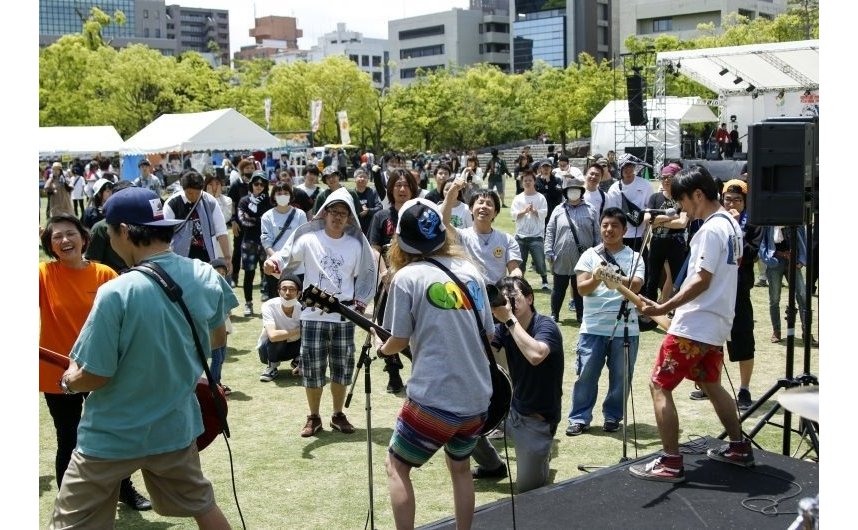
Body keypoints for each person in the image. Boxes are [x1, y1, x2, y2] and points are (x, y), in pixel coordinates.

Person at [49, 187, 238, 527]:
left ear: (123, 231)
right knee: (203, 506)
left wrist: (67, 380)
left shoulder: (116, 291)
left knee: (73, 522)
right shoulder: (204, 273)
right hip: (175, 427)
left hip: (111, 434)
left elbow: (96, 375)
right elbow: (218, 337)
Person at [371, 197, 493, 530]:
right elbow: (489, 331)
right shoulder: (471, 272)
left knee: (396, 466)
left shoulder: (407, 277)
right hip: (477, 398)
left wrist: (379, 351)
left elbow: (397, 340)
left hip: (434, 400)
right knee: (461, 468)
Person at [630, 166, 752, 483]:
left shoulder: (711, 229)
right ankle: (738, 447)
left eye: (683, 200)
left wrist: (665, 304)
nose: (682, 208)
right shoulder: (731, 225)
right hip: (716, 323)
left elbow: (701, 279)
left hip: (694, 325)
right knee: (711, 384)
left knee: (659, 385)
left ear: (698, 194)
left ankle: (671, 462)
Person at [39, 213, 152, 512]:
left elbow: (126, 321)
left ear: (84, 238)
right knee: (70, 436)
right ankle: (69, 501)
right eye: (56, 237)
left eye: (70, 233)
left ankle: (123, 488)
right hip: (58, 372)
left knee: (115, 433)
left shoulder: (105, 275)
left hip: (103, 369)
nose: (64, 240)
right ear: (50, 246)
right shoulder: (42, 275)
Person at [263, 187, 377, 437]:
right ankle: (313, 416)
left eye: (343, 213)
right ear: (324, 213)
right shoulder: (308, 238)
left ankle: (337, 414)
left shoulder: (356, 245)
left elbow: (366, 277)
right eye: (333, 211)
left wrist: (359, 304)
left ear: (350, 218)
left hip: (344, 315)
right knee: (313, 369)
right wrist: (273, 263)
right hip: (313, 314)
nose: (337, 217)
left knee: (342, 367)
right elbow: (284, 256)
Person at [471, 276, 564, 493]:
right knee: (458, 423)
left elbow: (536, 355)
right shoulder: (504, 328)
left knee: (527, 492)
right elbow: (485, 353)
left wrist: (509, 320)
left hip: (535, 420)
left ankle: (541, 453)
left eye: (513, 297)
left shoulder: (545, 325)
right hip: (511, 411)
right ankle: (492, 466)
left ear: (530, 298)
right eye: (502, 300)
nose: (508, 303)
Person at [565, 208, 644, 436]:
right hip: (592, 327)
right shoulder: (589, 255)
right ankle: (579, 418)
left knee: (621, 377)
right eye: (605, 225)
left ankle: (613, 417)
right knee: (586, 375)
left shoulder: (635, 257)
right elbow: (582, 289)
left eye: (615, 226)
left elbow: (636, 286)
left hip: (626, 328)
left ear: (624, 230)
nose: (609, 230)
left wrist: (608, 276)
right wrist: (596, 277)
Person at [689, 179, 762, 410]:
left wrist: (737, 227)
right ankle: (711, 385)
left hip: (740, 292)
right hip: (717, 291)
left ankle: (744, 389)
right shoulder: (714, 222)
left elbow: (751, 253)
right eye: (728, 199)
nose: (732, 203)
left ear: (745, 202)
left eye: (738, 200)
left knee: (743, 340)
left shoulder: (752, 223)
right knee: (712, 341)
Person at [368, 169, 421, 393]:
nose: (401, 189)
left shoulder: (420, 214)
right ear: (390, 189)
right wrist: (383, 273)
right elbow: (374, 248)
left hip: (415, 279)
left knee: (417, 326)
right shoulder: (381, 216)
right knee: (385, 326)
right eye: (397, 185)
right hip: (387, 281)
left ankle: (419, 373)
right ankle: (393, 373)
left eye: (406, 185)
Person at [442, 180, 522, 286]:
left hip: (497, 296)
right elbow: (443, 222)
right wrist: (451, 194)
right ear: (470, 209)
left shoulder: (507, 239)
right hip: (470, 296)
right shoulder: (460, 236)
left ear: (495, 213)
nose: (484, 206)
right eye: (480, 202)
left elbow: (513, 268)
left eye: (489, 204)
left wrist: (516, 276)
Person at [544, 175, 599, 323]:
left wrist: (598, 254)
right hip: (561, 256)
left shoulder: (591, 210)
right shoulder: (558, 209)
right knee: (558, 288)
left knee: (580, 288)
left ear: (581, 192)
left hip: (583, 258)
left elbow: (597, 234)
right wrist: (548, 250)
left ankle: (581, 315)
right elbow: (550, 230)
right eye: (570, 190)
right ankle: (554, 314)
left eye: (576, 190)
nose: (573, 193)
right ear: (565, 192)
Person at [162, 169, 232, 270]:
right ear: (183, 188)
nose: (194, 197)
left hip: (207, 256)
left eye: (197, 193)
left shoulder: (210, 201)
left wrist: (227, 257)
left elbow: (221, 231)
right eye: (190, 193)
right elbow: (164, 236)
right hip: (181, 258)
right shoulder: (172, 204)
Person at [759, 223, 816, 345]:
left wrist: (801, 260)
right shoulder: (768, 223)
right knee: (774, 298)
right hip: (775, 261)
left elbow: (803, 240)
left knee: (802, 296)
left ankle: (807, 332)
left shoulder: (794, 220)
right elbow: (763, 244)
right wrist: (772, 257)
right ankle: (776, 330)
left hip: (793, 261)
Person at [642, 163, 689, 303]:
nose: (666, 180)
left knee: (677, 279)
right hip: (657, 241)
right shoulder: (655, 198)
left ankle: (676, 310)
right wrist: (672, 216)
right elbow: (647, 219)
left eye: (670, 177)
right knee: (652, 279)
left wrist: (658, 220)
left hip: (676, 241)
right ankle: (649, 312)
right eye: (663, 177)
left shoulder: (683, 198)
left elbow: (682, 223)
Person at [260, 181, 307, 301]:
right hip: (275, 266)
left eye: (286, 193)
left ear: (291, 195)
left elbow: (304, 238)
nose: (282, 196)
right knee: (275, 300)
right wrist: (276, 259)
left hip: (297, 264)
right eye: (279, 193)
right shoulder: (267, 216)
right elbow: (266, 240)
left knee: (297, 302)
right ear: (274, 196)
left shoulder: (300, 214)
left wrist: (292, 259)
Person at [237, 170, 272, 315]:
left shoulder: (269, 201)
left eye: (262, 183)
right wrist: (260, 220)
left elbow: (270, 221)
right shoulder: (244, 200)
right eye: (256, 183)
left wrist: (255, 219)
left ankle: (269, 303)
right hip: (249, 242)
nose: (259, 186)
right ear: (251, 184)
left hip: (266, 243)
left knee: (268, 273)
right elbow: (243, 221)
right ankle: (248, 303)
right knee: (249, 275)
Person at [257, 273, 303, 382]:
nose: (287, 293)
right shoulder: (269, 306)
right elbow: (272, 336)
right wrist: (300, 330)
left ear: (299, 293)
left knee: (310, 333)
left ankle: (299, 360)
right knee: (278, 337)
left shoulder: (303, 309)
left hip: (294, 346)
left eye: (292, 289)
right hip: (268, 350)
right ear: (278, 291)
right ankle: (272, 367)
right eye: (284, 289)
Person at [510, 169, 550, 290]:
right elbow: (513, 215)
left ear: (534, 182)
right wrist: (524, 211)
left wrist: (534, 211)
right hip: (520, 235)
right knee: (520, 262)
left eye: (530, 180)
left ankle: (544, 281)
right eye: (525, 180)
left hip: (536, 235)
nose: (527, 182)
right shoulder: (518, 198)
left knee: (540, 261)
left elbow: (545, 213)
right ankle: (519, 283)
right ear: (522, 182)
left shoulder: (540, 197)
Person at [605, 153, 651, 253]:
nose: (628, 170)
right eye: (624, 167)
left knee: (642, 266)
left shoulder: (645, 185)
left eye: (630, 166)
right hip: (620, 235)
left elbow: (650, 208)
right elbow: (611, 214)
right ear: (620, 170)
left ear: (634, 167)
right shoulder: (614, 188)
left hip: (640, 235)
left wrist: (647, 231)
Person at [352, 167, 382, 237]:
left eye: (365, 177)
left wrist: (368, 211)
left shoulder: (373, 192)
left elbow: (380, 208)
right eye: (360, 177)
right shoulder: (350, 194)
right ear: (355, 179)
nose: (362, 179)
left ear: (368, 180)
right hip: (355, 227)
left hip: (371, 227)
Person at [535, 159, 564, 229]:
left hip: (553, 210)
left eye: (548, 167)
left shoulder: (557, 180)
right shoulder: (536, 180)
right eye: (543, 167)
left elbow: (558, 194)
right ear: (540, 169)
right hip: (540, 211)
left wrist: (549, 182)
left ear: (551, 168)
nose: (546, 169)